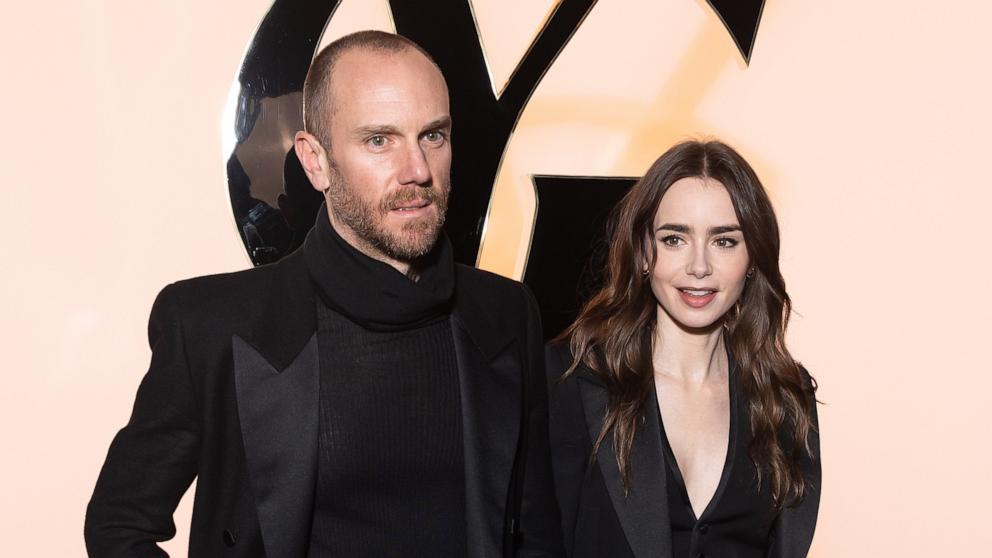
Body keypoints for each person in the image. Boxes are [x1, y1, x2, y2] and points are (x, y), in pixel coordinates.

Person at [85, 30, 562, 558]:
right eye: (379, 140)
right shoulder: (210, 325)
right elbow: (118, 526)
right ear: (315, 161)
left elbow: (537, 532)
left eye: (433, 135)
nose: (418, 171)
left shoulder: (507, 314)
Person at [546, 140, 820, 557]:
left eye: (724, 241)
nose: (698, 266)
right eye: (675, 239)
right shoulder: (575, 381)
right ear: (643, 252)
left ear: (752, 260)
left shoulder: (786, 397)